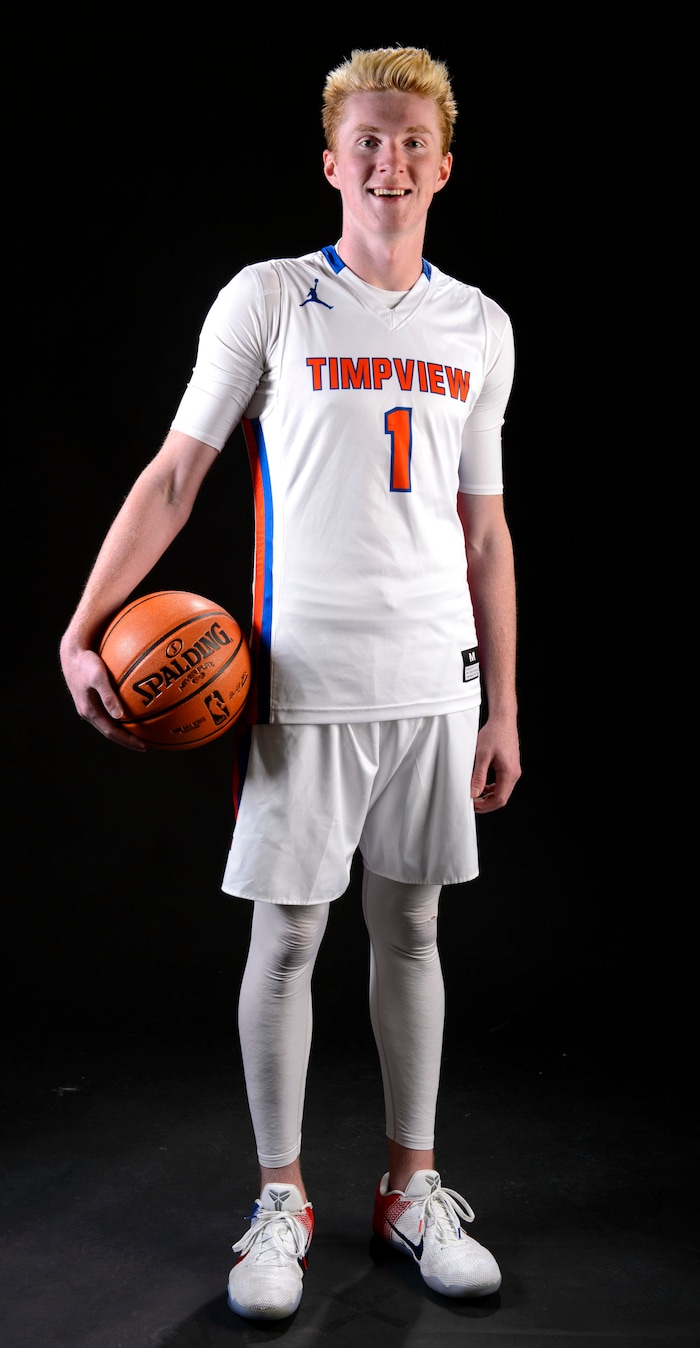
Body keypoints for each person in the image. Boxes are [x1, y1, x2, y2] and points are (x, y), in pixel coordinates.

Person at [59, 45, 521, 1323]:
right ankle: (281, 1201)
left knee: (413, 930)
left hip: (434, 677)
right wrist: (83, 627)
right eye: (368, 139)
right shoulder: (269, 298)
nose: (390, 161)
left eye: (412, 141)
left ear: (443, 165)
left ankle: (411, 1189)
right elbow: (174, 475)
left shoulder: (479, 325)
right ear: (331, 161)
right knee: (290, 936)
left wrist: (504, 703)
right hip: (300, 675)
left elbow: (485, 531)